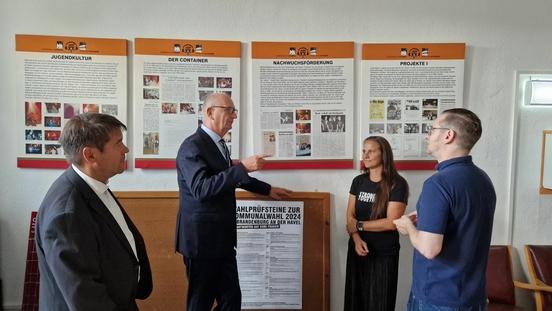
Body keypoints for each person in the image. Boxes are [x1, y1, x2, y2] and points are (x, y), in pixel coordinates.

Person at [176, 93, 291, 311]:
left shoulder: (218, 144)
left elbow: (227, 176)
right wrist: (244, 166)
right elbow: (201, 189)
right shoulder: (192, 146)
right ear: (210, 112)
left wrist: (267, 189)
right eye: (229, 110)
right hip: (202, 243)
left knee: (231, 301)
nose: (234, 116)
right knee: (200, 303)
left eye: (234, 111)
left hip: (222, 240)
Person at [36, 113, 152, 310]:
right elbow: (85, 297)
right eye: (118, 143)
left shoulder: (93, 187)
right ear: (90, 155)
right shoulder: (66, 214)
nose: (126, 149)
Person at [393, 108, 496, 310]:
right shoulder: (483, 179)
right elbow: (463, 222)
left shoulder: (438, 184)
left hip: (438, 298)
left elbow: (429, 249)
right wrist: (427, 218)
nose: (427, 135)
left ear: (448, 135)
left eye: (432, 129)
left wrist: (408, 227)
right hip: (473, 298)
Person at [344, 136, 409, 311]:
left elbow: (391, 223)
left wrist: (358, 226)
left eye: (371, 151)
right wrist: (356, 238)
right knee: (355, 301)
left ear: (384, 154)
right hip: (358, 249)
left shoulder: (398, 184)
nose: (365, 155)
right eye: (364, 151)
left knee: (379, 303)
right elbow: (350, 215)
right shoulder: (358, 181)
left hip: (383, 254)